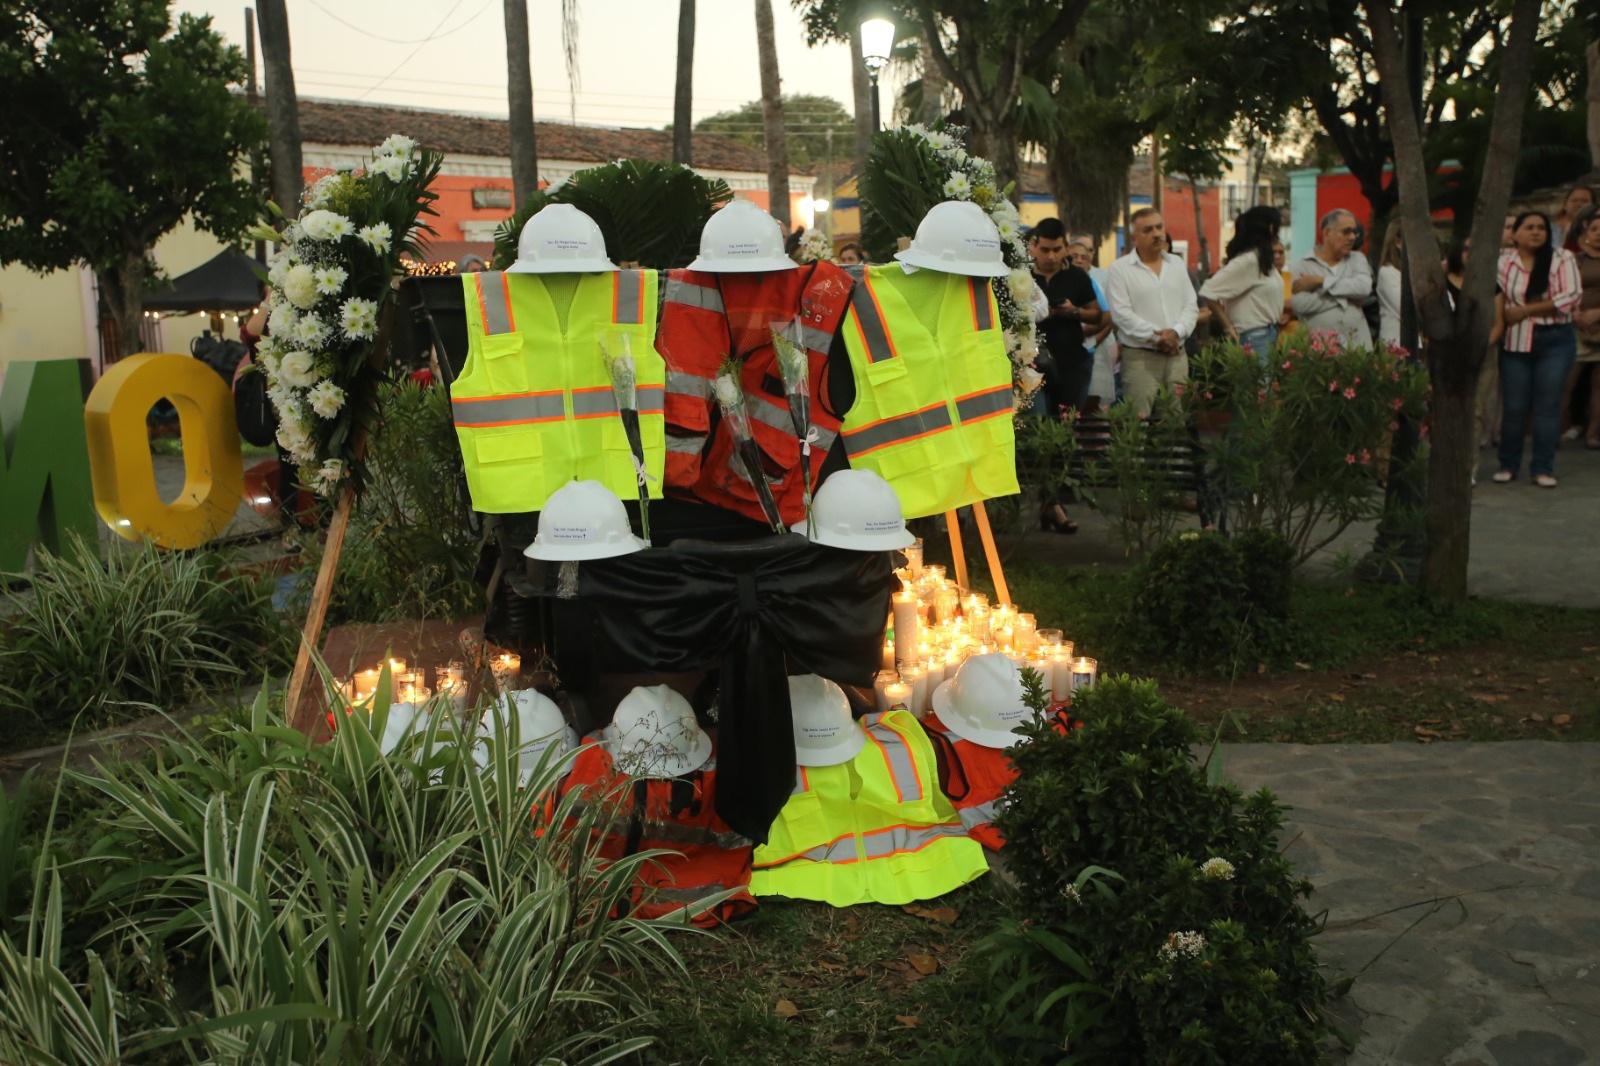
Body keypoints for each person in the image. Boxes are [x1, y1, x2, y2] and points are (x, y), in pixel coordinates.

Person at [1493, 211, 1582, 488]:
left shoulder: (1562, 257)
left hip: (1555, 337)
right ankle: (1508, 464)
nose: (1536, 232)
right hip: (1515, 340)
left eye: (1541, 228)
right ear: (1515, 233)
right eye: (1529, 227)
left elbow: (1570, 295)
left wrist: (1526, 310)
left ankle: (1543, 467)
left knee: (1547, 405)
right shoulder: (1502, 261)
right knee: (1515, 406)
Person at [1104, 208, 1198, 417]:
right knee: (1137, 423)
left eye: (1159, 227)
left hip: (1176, 356)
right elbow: (1121, 315)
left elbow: (1190, 306)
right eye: (1147, 230)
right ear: (1134, 237)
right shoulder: (1120, 269)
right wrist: (1157, 337)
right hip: (1140, 358)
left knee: (1175, 422)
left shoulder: (1177, 264)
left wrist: (1175, 333)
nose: (1156, 234)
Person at [1029, 218, 1102, 413]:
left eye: (1057, 249)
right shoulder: (1023, 277)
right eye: (1045, 250)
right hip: (1032, 365)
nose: (1051, 256)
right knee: (1038, 422)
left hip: (1072, 365)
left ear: (1066, 247)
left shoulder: (1077, 276)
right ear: (1034, 247)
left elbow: (1097, 315)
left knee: (1068, 424)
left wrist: (1074, 311)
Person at [1445, 237, 1506, 451]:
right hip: (1447, 355)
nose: (1470, 254)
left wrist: (1480, 347)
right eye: (1466, 248)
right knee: (1447, 410)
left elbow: (1498, 324)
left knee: (1476, 411)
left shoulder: (1490, 284)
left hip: (1483, 354)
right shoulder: (1441, 281)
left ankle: (1470, 466)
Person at [1199, 205, 1285, 358]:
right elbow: (1209, 290)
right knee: (1258, 382)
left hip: (1269, 333)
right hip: (1254, 337)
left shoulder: (1262, 260)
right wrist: (1228, 327)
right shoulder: (1249, 260)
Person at [1289, 209, 1374, 348]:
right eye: (1346, 232)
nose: (1352, 237)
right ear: (1327, 233)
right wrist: (1346, 297)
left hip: (1358, 350)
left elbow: (1364, 288)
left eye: (1355, 232)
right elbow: (1299, 305)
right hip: (1320, 352)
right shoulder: (1303, 266)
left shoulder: (1357, 259)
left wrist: (1319, 281)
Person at [1560, 204, 1600, 448]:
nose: (1599, 234)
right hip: (1575, 327)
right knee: (1567, 380)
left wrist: (1597, 313)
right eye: (1595, 229)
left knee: (1599, 384)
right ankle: (1561, 428)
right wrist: (1577, 314)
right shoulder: (1573, 259)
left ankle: (1594, 433)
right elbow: (1562, 289)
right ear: (1585, 233)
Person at [1377, 219, 1404, 348]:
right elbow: (1403, 308)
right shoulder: (1387, 272)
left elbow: (1447, 305)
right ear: (1398, 242)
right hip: (1396, 344)